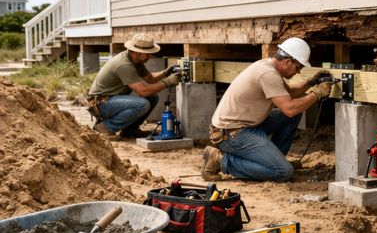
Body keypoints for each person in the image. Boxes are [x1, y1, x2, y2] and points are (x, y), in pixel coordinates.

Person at [201, 37, 334, 182]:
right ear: (287, 61)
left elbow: (289, 93)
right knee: (283, 172)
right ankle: (220, 159)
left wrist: (311, 82)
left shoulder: (268, 66)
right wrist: (316, 94)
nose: (298, 72)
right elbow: (289, 108)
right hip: (231, 134)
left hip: (244, 126)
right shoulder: (268, 74)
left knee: (292, 117)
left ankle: (273, 162)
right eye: (298, 67)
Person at [87, 33, 181, 139]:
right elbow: (143, 91)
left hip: (110, 100)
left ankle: (129, 130)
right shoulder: (124, 64)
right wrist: (167, 82)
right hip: (101, 104)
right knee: (142, 104)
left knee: (152, 97)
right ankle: (105, 127)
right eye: (147, 54)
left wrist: (165, 73)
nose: (150, 56)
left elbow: (149, 78)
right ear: (136, 52)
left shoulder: (136, 60)